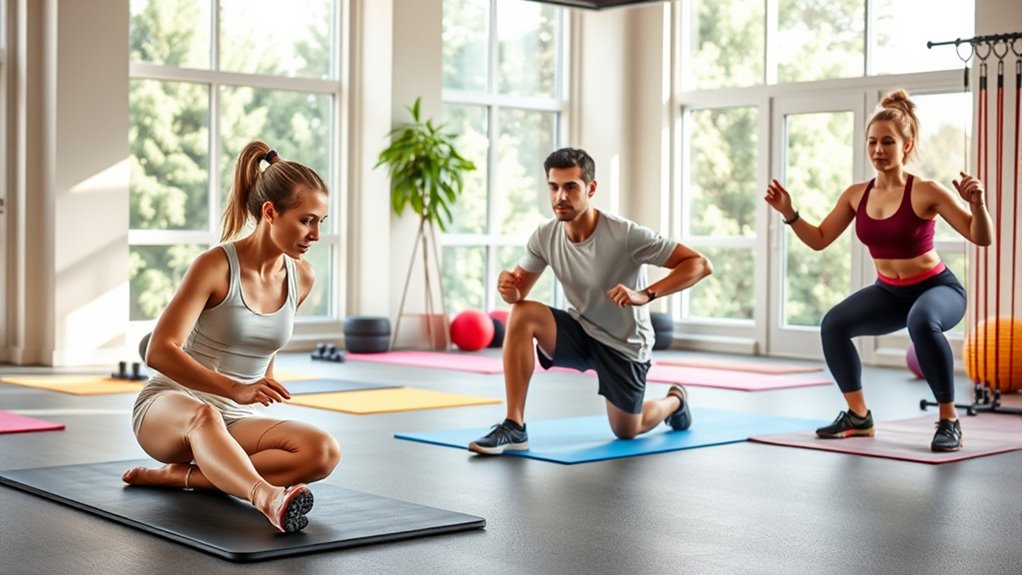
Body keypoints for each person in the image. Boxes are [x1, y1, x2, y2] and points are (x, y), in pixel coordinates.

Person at [122, 141, 341, 533]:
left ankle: (183, 477)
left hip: (235, 418)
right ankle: (266, 497)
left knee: (322, 451)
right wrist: (235, 388)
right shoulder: (215, 266)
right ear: (270, 213)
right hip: (170, 407)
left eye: (321, 221)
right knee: (204, 415)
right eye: (307, 221)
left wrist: (262, 385)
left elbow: (264, 340)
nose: (316, 235)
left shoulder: (302, 278)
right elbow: (159, 351)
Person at [764, 90, 993, 452]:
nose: (878, 149)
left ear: (907, 145)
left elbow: (981, 237)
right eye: (872, 142)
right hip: (890, 293)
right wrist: (789, 213)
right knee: (833, 325)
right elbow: (820, 239)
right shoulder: (856, 195)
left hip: (937, 289)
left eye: (888, 142)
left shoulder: (927, 191)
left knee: (921, 321)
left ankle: (949, 419)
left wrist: (978, 204)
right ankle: (858, 416)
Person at [469, 147, 713, 455]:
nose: (560, 196)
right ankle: (514, 426)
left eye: (571, 187)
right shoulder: (545, 236)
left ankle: (675, 400)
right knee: (522, 313)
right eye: (554, 187)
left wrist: (645, 294)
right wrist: (509, 289)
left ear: (591, 188)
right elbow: (519, 294)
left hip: (624, 345)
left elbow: (699, 264)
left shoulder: (625, 234)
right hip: (581, 330)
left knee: (627, 430)